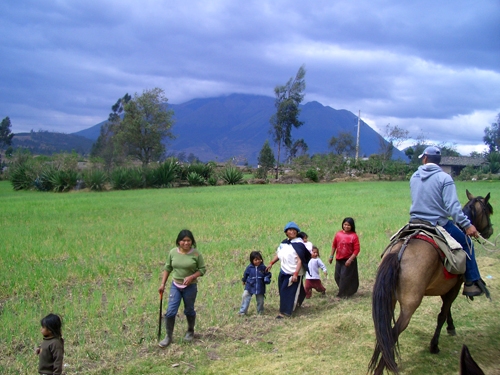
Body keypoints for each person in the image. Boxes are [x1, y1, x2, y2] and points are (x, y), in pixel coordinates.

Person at [409, 146, 489, 298]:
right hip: (438, 223)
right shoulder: (445, 178)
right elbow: (453, 208)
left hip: (414, 222)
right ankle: (471, 282)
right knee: (467, 243)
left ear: (425, 158)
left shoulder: (414, 176)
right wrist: (467, 225)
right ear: (438, 161)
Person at [158, 229, 206, 348]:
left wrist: (192, 276)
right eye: (183, 240)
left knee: (189, 310)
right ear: (179, 242)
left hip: (190, 287)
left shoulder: (196, 254)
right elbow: (168, 268)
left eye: (188, 240)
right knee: (170, 312)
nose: (186, 243)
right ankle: (168, 336)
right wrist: (163, 284)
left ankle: (190, 331)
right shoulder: (173, 252)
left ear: (192, 241)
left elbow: (202, 270)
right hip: (176, 286)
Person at [267, 221, 311, 318]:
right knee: (283, 291)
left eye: (294, 230)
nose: (292, 232)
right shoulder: (284, 243)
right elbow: (278, 254)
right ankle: (298, 302)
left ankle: (286, 313)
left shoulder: (299, 244)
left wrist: (295, 274)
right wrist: (271, 263)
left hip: (293, 273)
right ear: (286, 232)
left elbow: (300, 261)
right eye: (290, 230)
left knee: (289, 292)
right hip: (283, 271)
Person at [329, 217, 360, 298]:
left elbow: (357, 250)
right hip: (339, 259)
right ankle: (346, 290)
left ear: (352, 226)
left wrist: (350, 260)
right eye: (345, 224)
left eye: (348, 225)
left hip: (348, 260)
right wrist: (331, 256)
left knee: (344, 277)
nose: (346, 226)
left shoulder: (354, 236)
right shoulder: (338, 234)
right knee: (337, 276)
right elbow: (334, 245)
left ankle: (342, 294)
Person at [239, 251, 272, 315]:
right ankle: (242, 312)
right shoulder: (249, 268)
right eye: (255, 260)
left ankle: (260, 312)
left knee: (260, 300)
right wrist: (244, 280)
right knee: (245, 296)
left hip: (260, 287)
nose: (258, 261)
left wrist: (266, 279)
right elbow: (245, 274)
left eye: (259, 259)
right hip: (250, 285)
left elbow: (268, 274)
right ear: (252, 261)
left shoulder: (263, 268)